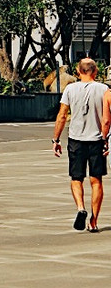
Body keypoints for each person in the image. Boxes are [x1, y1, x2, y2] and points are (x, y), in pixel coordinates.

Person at [52, 58, 109, 232]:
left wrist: (56, 139)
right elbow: (106, 120)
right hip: (96, 140)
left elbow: (62, 115)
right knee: (96, 180)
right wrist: (106, 139)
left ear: (78, 71)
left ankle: (80, 208)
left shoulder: (70, 89)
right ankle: (93, 221)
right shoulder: (104, 89)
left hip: (76, 139)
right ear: (96, 71)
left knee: (76, 178)